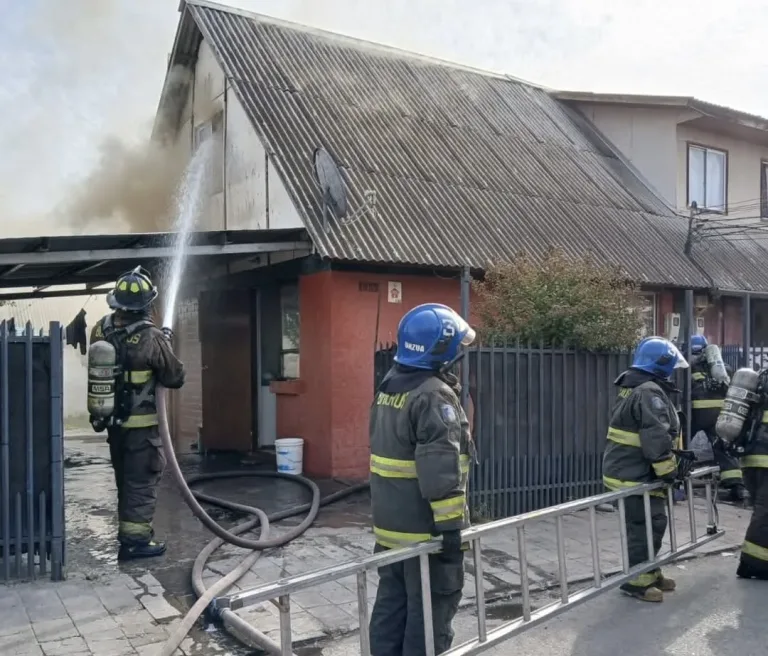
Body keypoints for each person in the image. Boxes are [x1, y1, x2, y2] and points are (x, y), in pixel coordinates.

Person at [368, 303, 476, 655]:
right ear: (441, 351)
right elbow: (440, 468)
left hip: (391, 529)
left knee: (392, 607)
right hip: (425, 530)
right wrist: (450, 529)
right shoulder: (433, 395)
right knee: (430, 613)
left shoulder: (390, 387)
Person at [88, 266, 185, 561]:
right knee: (141, 482)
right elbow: (174, 376)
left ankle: (130, 535)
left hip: (113, 424)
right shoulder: (151, 337)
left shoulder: (99, 329)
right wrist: (164, 343)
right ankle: (135, 543)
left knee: (125, 480)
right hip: (142, 430)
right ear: (146, 304)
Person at [603, 336, 688, 602]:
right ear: (663, 364)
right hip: (635, 474)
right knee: (643, 526)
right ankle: (636, 582)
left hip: (631, 471)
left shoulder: (635, 385)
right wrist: (669, 472)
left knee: (654, 524)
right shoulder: (648, 391)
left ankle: (650, 572)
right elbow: (656, 436)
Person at [687, 335, 749, 503]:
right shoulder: (724, 368)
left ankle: (678, 483)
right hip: (718, 413)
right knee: (723, 448)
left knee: (682, 447)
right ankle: (737, 487)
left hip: (695, 413)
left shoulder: (688, 366)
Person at [737, 371, 768, 580]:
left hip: (753, 458)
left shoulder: (763, 379)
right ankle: (753, 565)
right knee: (765, 513)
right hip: (765, 459)